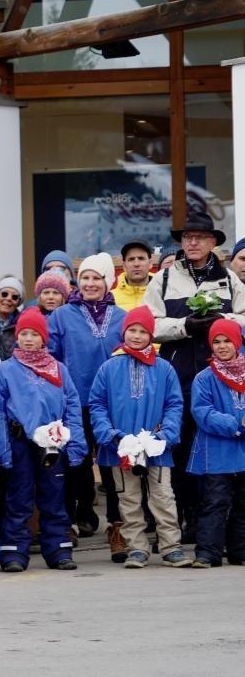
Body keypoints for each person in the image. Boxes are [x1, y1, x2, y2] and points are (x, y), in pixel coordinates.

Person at [145, 214, 245, 546]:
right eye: (187, 237)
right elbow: (147, 325)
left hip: (222, 382)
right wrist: (185, 326)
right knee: (181, 447)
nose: (192, 242)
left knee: (217, 449)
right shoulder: (163, 278)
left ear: (213, 242)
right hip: (177, 378)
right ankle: (184, 520)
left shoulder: (229, 278)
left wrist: (221, 320)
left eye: (200, 237)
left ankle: (218, 525)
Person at [87, 307, 188, 569]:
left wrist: (165, 435)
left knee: (163, 497)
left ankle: (171, 547)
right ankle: (137, 548)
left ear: (151, 336)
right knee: (129, 498)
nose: (137, 336)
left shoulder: (164, 368)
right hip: (121, 447)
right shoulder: (109, 367)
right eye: (132, 330)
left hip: (156, 447)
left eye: (143, 331)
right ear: (124, 332)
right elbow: (97, 404)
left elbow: (174, 404)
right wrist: (111, 435)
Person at [0, 307, 87, 572]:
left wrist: (75, 442)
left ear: (44, 338)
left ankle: (58, 549)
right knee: (18, 497)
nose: (29, 339)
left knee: (54, 496)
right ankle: (14, 552)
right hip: (20, 442)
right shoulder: (6, 370)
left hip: (52, 444)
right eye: (24, 334)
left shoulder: (59, 369)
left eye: (34, 334)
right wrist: (2, 448)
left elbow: (72, 405)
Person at [48, 252, 125, 542]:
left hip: (111, 403)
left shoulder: (122, 317)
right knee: (74, 463)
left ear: (108, 281)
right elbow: (51, 358)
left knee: (112, 464)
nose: (90, 284)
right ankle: (71, 520)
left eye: (97, 278)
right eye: (85, 278)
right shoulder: (61, 316)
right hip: (73, 401)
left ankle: (118, 524)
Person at [186, 318, 245, 568]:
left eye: (227, 341)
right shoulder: (205, 377)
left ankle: (240, 551)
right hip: (217, 451)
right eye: (217, 342)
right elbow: (202, 412)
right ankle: (208, 553)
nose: (222, 346)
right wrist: (236, 424)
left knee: (243, 503)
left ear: (238, 343)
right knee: (215, 502)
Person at [113, 240, 154, 310]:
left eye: (141, 258)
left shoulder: (163, 295)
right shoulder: (110, 299)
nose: (136, 264)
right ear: (124, 266)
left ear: (150, 263)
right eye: (131, 259)